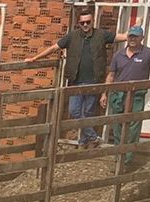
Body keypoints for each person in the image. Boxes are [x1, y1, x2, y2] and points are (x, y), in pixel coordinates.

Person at [28, 8, 117, 147]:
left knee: (88, 112)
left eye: (88, 22)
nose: (85, 25)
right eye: (82, 23)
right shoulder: (72, 36)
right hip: (75, 81)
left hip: (93, 81)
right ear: (79, 23)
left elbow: (121, 37)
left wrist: (135, 31)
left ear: (92, 21)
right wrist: (35, 58)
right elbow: (54, 48)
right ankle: (93, 137)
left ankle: (83, 142)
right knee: (74, 111)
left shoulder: (101, 35)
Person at [105, 24, 150, 160]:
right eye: (130, 36)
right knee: (117, 125)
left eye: (135, 36)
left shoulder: (148, 53)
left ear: (142, 38)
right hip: (118, 95)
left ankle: (127, 158)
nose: (132, 39)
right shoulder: (119, 55)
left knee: (134, 125)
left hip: (136, 95)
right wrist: (104, 94)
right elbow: (111, 75)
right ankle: (118, 155)